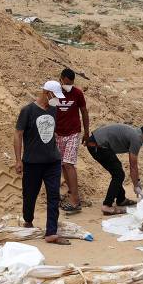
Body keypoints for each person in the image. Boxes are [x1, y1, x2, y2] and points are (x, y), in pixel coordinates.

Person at [13, 81, 69, 245]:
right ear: (46, 93)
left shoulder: (54, 109)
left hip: (52, 161)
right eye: (53, 95)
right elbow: (18, 134)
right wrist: (18, 160)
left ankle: (51, 232)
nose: (56, 99)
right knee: (29, 195)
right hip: (32, 162)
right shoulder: (28, 111)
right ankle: (28, 220)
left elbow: (56, 131)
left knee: (54, 195)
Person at [86, 123, 143, 215]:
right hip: (98, 146)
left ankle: (121, 199)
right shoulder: (137, 139)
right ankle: (107, 206)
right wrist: (136, 185)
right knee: (119, 174)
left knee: (117, 170)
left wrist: (137, 181)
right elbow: (133, 165)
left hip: (97, 143)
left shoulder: (135, 133)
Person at [55, 68, 89, 214]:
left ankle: (75, 200)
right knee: (63, 165)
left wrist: (87, 131)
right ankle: (71, 193)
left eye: (71, 83)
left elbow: (84, 111)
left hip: (73, 133)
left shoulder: (77, 93)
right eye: (66, 83)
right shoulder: (54, 93)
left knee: (69, 164)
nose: (68, 86)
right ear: (61, 79)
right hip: (58, 134)